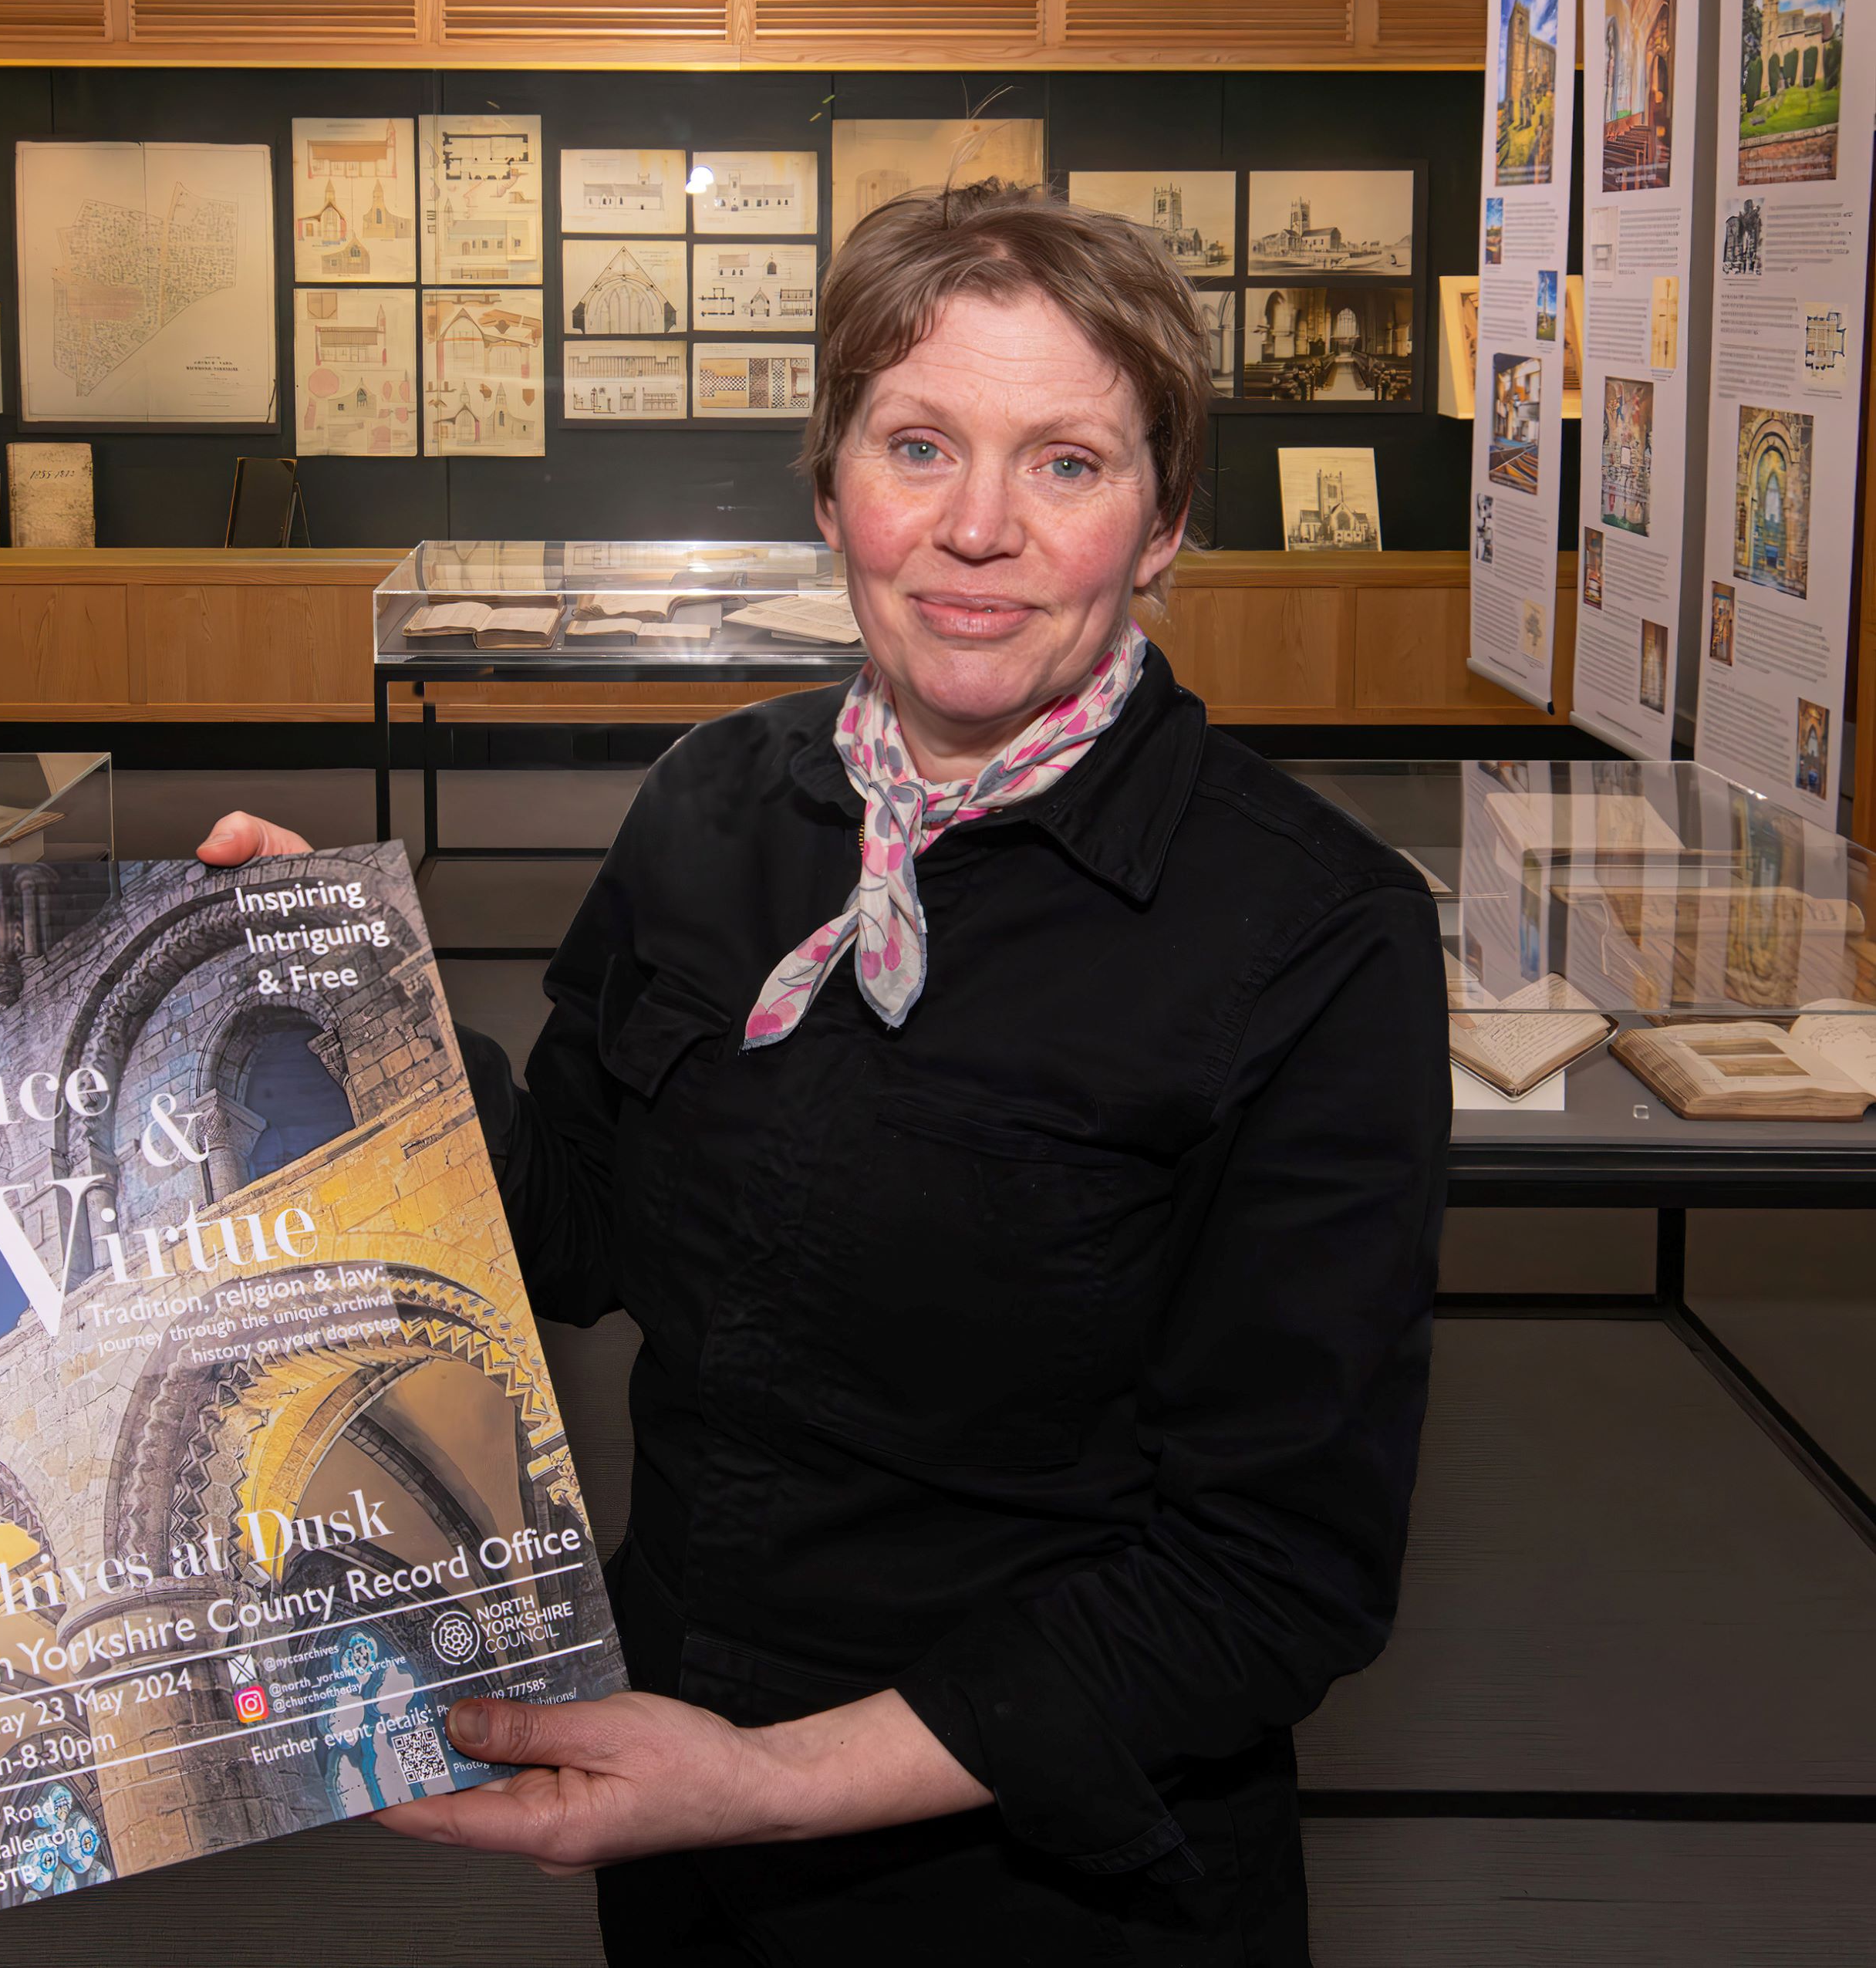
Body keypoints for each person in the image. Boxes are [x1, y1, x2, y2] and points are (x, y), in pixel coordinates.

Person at [200, 185, 1448, 1963]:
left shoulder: (1312, 934)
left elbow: (1271, 1571)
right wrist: (366, 1020)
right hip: (674, 1772)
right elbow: (582, 1240)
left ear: (1165, 523)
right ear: (827, 484)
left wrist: (770, 1779)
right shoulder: (713, 807)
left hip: (1043, 1857)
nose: (975, 530)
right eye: (918, 444)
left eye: (1067, 464)